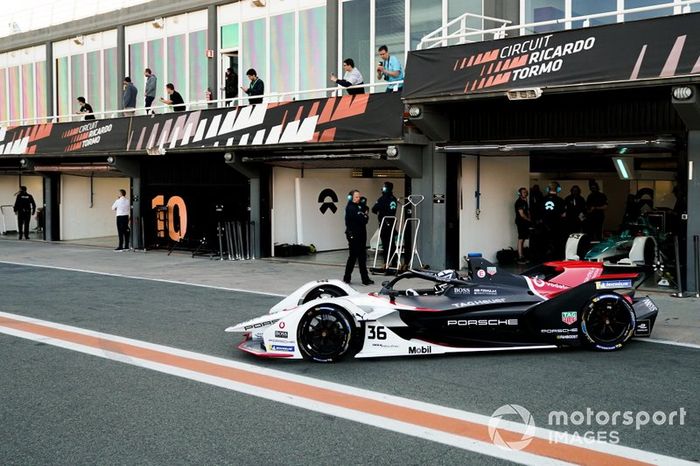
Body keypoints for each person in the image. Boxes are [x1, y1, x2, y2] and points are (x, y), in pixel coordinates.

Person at [343, 190, 374, 286]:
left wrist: (364, 213)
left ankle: (364, 279)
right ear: (351, 197)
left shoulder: (358, 206)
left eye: (358, 197)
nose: (358, 198)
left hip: (361, 235)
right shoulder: (351, 208)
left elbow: (365, 214)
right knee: (353, 257)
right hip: (354, 236)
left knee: (361, 257)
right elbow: (363, 219)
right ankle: (347, 277)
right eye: (356, 197)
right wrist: (364, 214)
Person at [371, 181, 398, 269]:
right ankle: (392, 262)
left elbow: (375, 209)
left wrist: (381, 210)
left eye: (384, 187)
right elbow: (374, 209)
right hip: (388, 224)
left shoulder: (383, 199)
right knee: (390, 244)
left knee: (388, 244)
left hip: (386, 224)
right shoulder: (392, 198)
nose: (383, 189)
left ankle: (388, 262)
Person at [540, 181, 566, 259]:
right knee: (556, 242)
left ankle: (545, 258)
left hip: (545, 224)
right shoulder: (560, 200)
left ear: (548, 189)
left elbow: (538, 212)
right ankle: (555, 258)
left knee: (545, 242)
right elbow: (564, 214)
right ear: (558, 189)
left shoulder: (542, 199)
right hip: (556, 224)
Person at [514, 187, 530, 264]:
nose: (525, 193)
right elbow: (522, 214)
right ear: (520, 194)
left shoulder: (525, 201)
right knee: (521, 239)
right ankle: (520, 257)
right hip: (521, 222)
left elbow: (527, 211)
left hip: (525, 223)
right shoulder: (519, 202)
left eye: (526, 192)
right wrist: (529, 220)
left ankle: (522, 256)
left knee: (523, 239)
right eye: (523, 192)